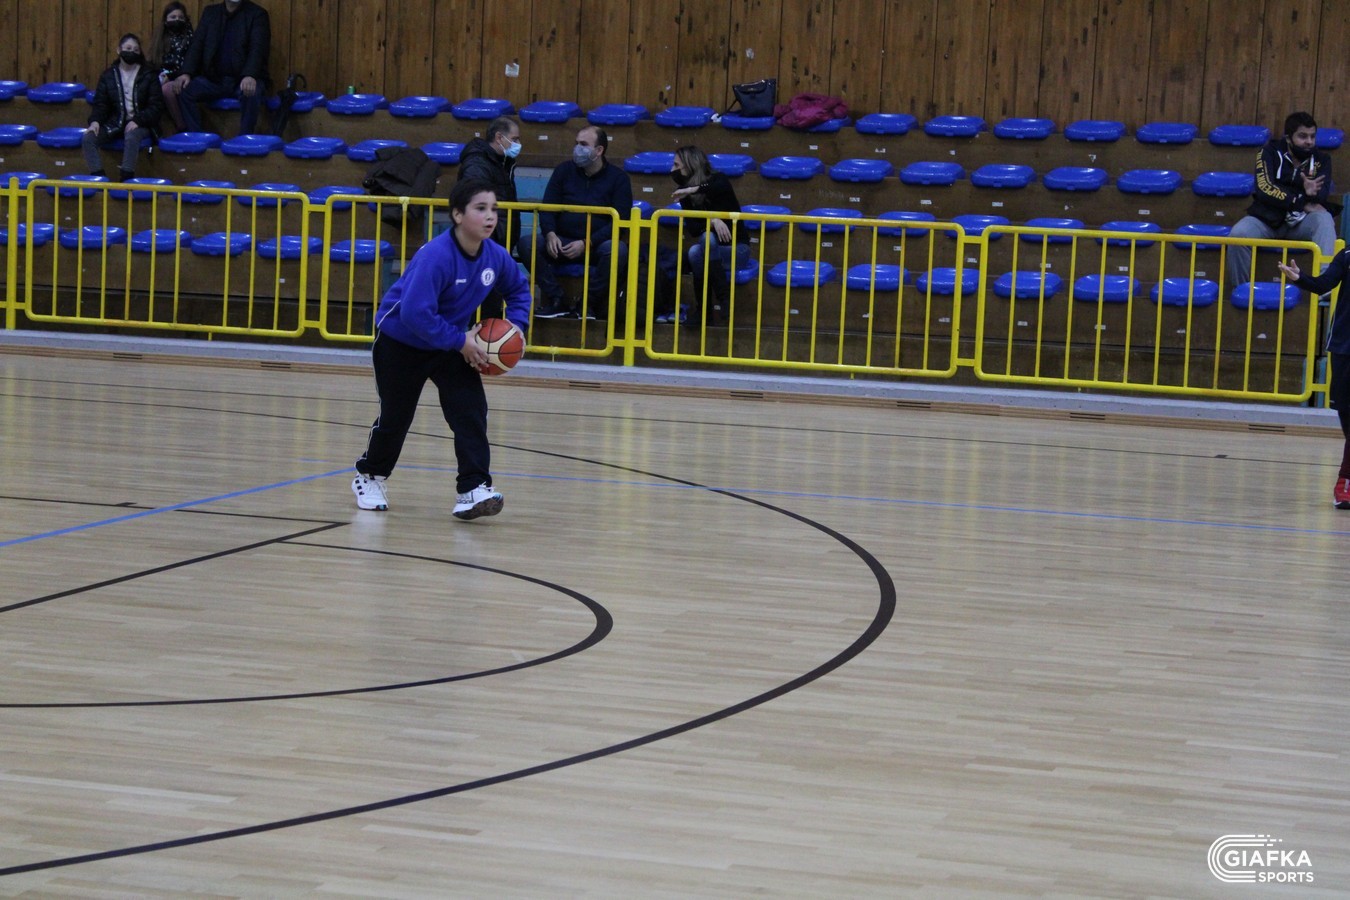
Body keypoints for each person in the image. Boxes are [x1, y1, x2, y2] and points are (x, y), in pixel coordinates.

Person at [351, 178, 531, 521]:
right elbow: (414, 314)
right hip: (401, 342)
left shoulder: (495, 256)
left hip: (450, 343)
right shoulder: (436, 256)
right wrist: (461, 341)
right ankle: (369, 476)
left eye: (494, 209)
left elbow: (519, 290)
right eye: (481, 208)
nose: (490, 216)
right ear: (458, 215)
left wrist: (516, 328)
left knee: (470, 411)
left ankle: (473, 488)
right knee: (396, 418)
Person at [525, 125, 633, 320]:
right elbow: (547, 207)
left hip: (596, 246)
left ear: (599, 150)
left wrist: (587, 243)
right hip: (562, 242)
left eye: (583, 144)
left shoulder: (619, 179)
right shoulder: (563, 171)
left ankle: (587, 304)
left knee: (617, 250)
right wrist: (550, 233)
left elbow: (621, 221)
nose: (577, 149)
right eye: (576, 143)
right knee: (527, 244)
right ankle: (557, 299)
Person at [1227, 112, 1339, 289]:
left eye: (1312, 136)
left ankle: (1325, 288)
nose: (1309, 141)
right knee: (1238, 235)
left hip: (1301, 222)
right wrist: (1301, 200)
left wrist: (1307, 196)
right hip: (1266, 219)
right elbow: (1264, 189)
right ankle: (1241, 291)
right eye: (1303, 136)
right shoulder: (1268, 152)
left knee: (1324, 219)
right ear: (1288, 138)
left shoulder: (1322, 159)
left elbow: (1321, 195)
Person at [1278, 253, 1350, 508]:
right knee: (1347, 416)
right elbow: (1323, 284)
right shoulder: (1347, 255)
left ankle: (1344, 482)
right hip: (1344, 347)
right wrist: (1300, 278)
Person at [655, 145, 749, 325]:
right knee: (696, 249)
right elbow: (694, 229)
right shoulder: (685, 194)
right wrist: (712, 220)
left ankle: (717, 302)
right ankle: (710, 307)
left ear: (690, 165)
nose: (672, 170)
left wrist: (693, 189)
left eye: (676, 165)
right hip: (711, 251)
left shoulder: (718, 179)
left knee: (705, 242)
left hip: (737, 249)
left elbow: (717, 187)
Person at [173, 0, 271, 137]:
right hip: (214, 80)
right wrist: (186, 73)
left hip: (241, 80)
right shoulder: (210, 13)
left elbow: (258, 49)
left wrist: (250, 75)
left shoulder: (257, 14)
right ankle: (197, 138)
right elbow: (197, 45)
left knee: (252, 92)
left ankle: (245, 138)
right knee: (184, 90)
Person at [82, 33, 164, 181]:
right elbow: (101, 104)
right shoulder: (108, 76)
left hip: (142, 124)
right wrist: (95, 121)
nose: (132, 52)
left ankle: (126, 178)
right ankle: (99, 180)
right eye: (128, 48)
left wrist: (138, 120)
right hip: (115, 123)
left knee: (131, 136)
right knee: (88, 138)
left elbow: (156, 106)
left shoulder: (149, 75)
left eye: (136, 50)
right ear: (119, 50)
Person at [457, 116, 522, 249]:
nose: (518, 144)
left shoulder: (504, 163)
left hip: (498, 241)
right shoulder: (477, 164)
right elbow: (475, 204)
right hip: (486, 242)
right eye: (514, 139)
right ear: (499, 138)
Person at [151, 2, 194, 132]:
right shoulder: (160, 39)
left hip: (183, 76)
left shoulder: (191, 39)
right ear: (166, 20)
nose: (177, 20)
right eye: (173, 17)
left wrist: (170, 77)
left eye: (180, 17)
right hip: (163, 75)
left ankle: (181, 126)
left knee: (167, 90)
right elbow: (154, 62)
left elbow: (191, 64)